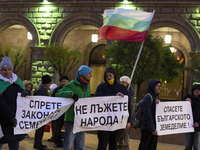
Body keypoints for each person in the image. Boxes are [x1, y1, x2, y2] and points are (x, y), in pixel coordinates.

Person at [56, 65, 92, 150]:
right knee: (68, 143)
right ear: (83, 74)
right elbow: (58, 93)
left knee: (80, 144)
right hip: (71, 118)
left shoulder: (87, 87)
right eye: (89, 73)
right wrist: (71, 94)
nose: (91, 75)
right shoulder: (71, 84)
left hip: (82, 119)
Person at [95, 68, 132, 150]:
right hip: (103, 122)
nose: (109, 78)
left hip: (116, 122)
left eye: (110, 76)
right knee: (102, 145)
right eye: (107, 76)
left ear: (114, 76)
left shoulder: (122, 88)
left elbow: (127, 105)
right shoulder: (101, 87)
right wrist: (114, 97)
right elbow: (98, 99)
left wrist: (128, 121)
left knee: (114, 145)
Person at [0, 56, 28, 150]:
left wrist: (26, 93)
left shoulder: (17, 81)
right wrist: (11, 117)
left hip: (15, 122)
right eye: (4, 69)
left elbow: (27, 97)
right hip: (3, 121)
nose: (7, 72)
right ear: (1, 70)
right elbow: (1, 104)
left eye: (9, 69)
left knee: (14, 144)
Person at [138, 79, 161, 150]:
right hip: (148, 129)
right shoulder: (148, 97)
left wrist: (160, 102)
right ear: (152, 86)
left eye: (160, 86)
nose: (160, 88)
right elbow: (147, 115)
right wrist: (152, 129)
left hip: (154, 129)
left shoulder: (156, 97)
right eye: (158, 86)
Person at [33, 75, 52, 150]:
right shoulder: (41, 90)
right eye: (49, 83)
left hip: (40, 113)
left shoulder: (41, 88)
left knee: (40, 129)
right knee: (39, 129)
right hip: (40, 113)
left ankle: (38, 143)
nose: (50, 84)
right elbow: (41, 102)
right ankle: (37, 144)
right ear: (46, 83)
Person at [52, 76, 69, 148]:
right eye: (62, 81)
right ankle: (57, 142)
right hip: (59, 113)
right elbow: (52, 100)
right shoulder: (56, 90)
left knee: (68, 130)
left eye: (64, 81)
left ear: (67, 81)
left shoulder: (70, 89)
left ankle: (67, 143)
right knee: (57, 129)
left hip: (68, 113)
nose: (63, 83)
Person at [118, 76, 134, 150]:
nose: (122, 84)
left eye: (123, 82)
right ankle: (119, 144)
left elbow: (129, 104)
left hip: (126, 114)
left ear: (127, 83)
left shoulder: (130, 91)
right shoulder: (118, 89)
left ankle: (125, 146)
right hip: (119, 115)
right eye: (121, 82)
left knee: (125, 133)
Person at [182, 83, 200, 150]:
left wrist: (198, 123)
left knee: (197, 147)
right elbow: (179, 106)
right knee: (187, 146)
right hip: (188, 126)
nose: (196, 91)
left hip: (198, 128)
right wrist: (185, 101)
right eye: (195, 89)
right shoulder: (187, 97)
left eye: (198, 90)